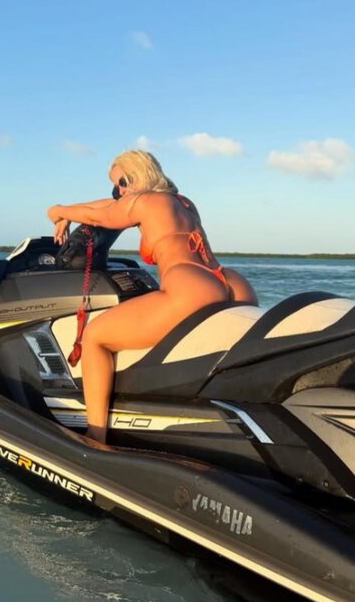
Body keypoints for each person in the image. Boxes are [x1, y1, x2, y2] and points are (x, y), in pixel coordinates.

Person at [47, 150, 257, 443]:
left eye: (120, 184)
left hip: (190, 286)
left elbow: (100, 215)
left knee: (95, 337)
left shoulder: (144, 202)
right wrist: (65, 211)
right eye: (114, 188)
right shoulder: (183, 202)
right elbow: (110, 206)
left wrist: (57, 211)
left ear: (135, 176)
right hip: (230, 282)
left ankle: (95, 435)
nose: (118, 192)